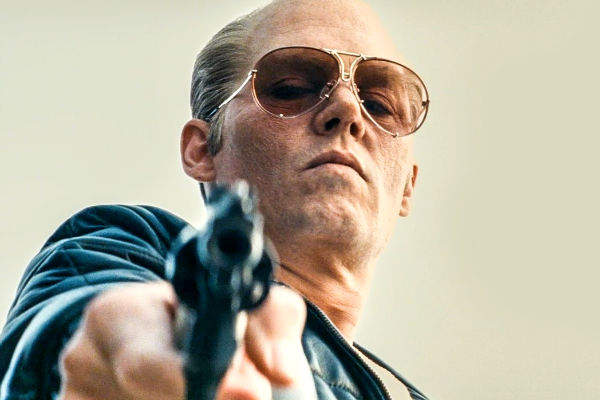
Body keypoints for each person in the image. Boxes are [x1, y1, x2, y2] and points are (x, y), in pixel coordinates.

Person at [0, 0, 430, 399]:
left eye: (379, 104)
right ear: (202, 150)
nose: (348, 109)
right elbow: (75, 322)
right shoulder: (131, 250)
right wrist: (105, 352)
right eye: (290, 88)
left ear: (408, 186)